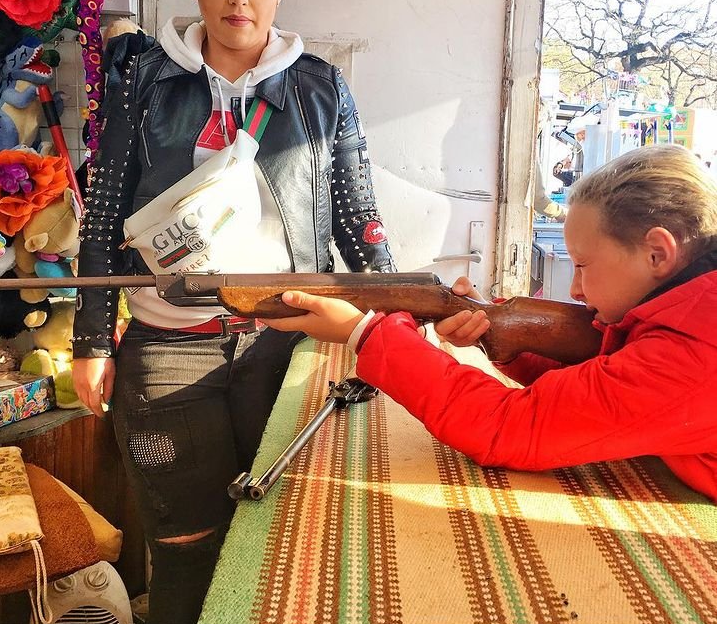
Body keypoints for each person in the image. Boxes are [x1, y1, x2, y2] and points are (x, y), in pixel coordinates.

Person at [71, 0, 396, 624]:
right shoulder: (143, 80)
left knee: (286, 547)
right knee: (186, 554)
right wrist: (91, 340)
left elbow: (360, 225)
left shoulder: (321, 88)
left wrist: (396, 331)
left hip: (285, 347)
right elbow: (102, 216)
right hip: (166, 355)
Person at [263, 144, 717, 504]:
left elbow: (508, 428)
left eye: (581, 265)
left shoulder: (695, 354)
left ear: (658, 253)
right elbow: (603, 379)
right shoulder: (692, 312)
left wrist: (363, 334)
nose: (575, 290)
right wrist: (501, 334)